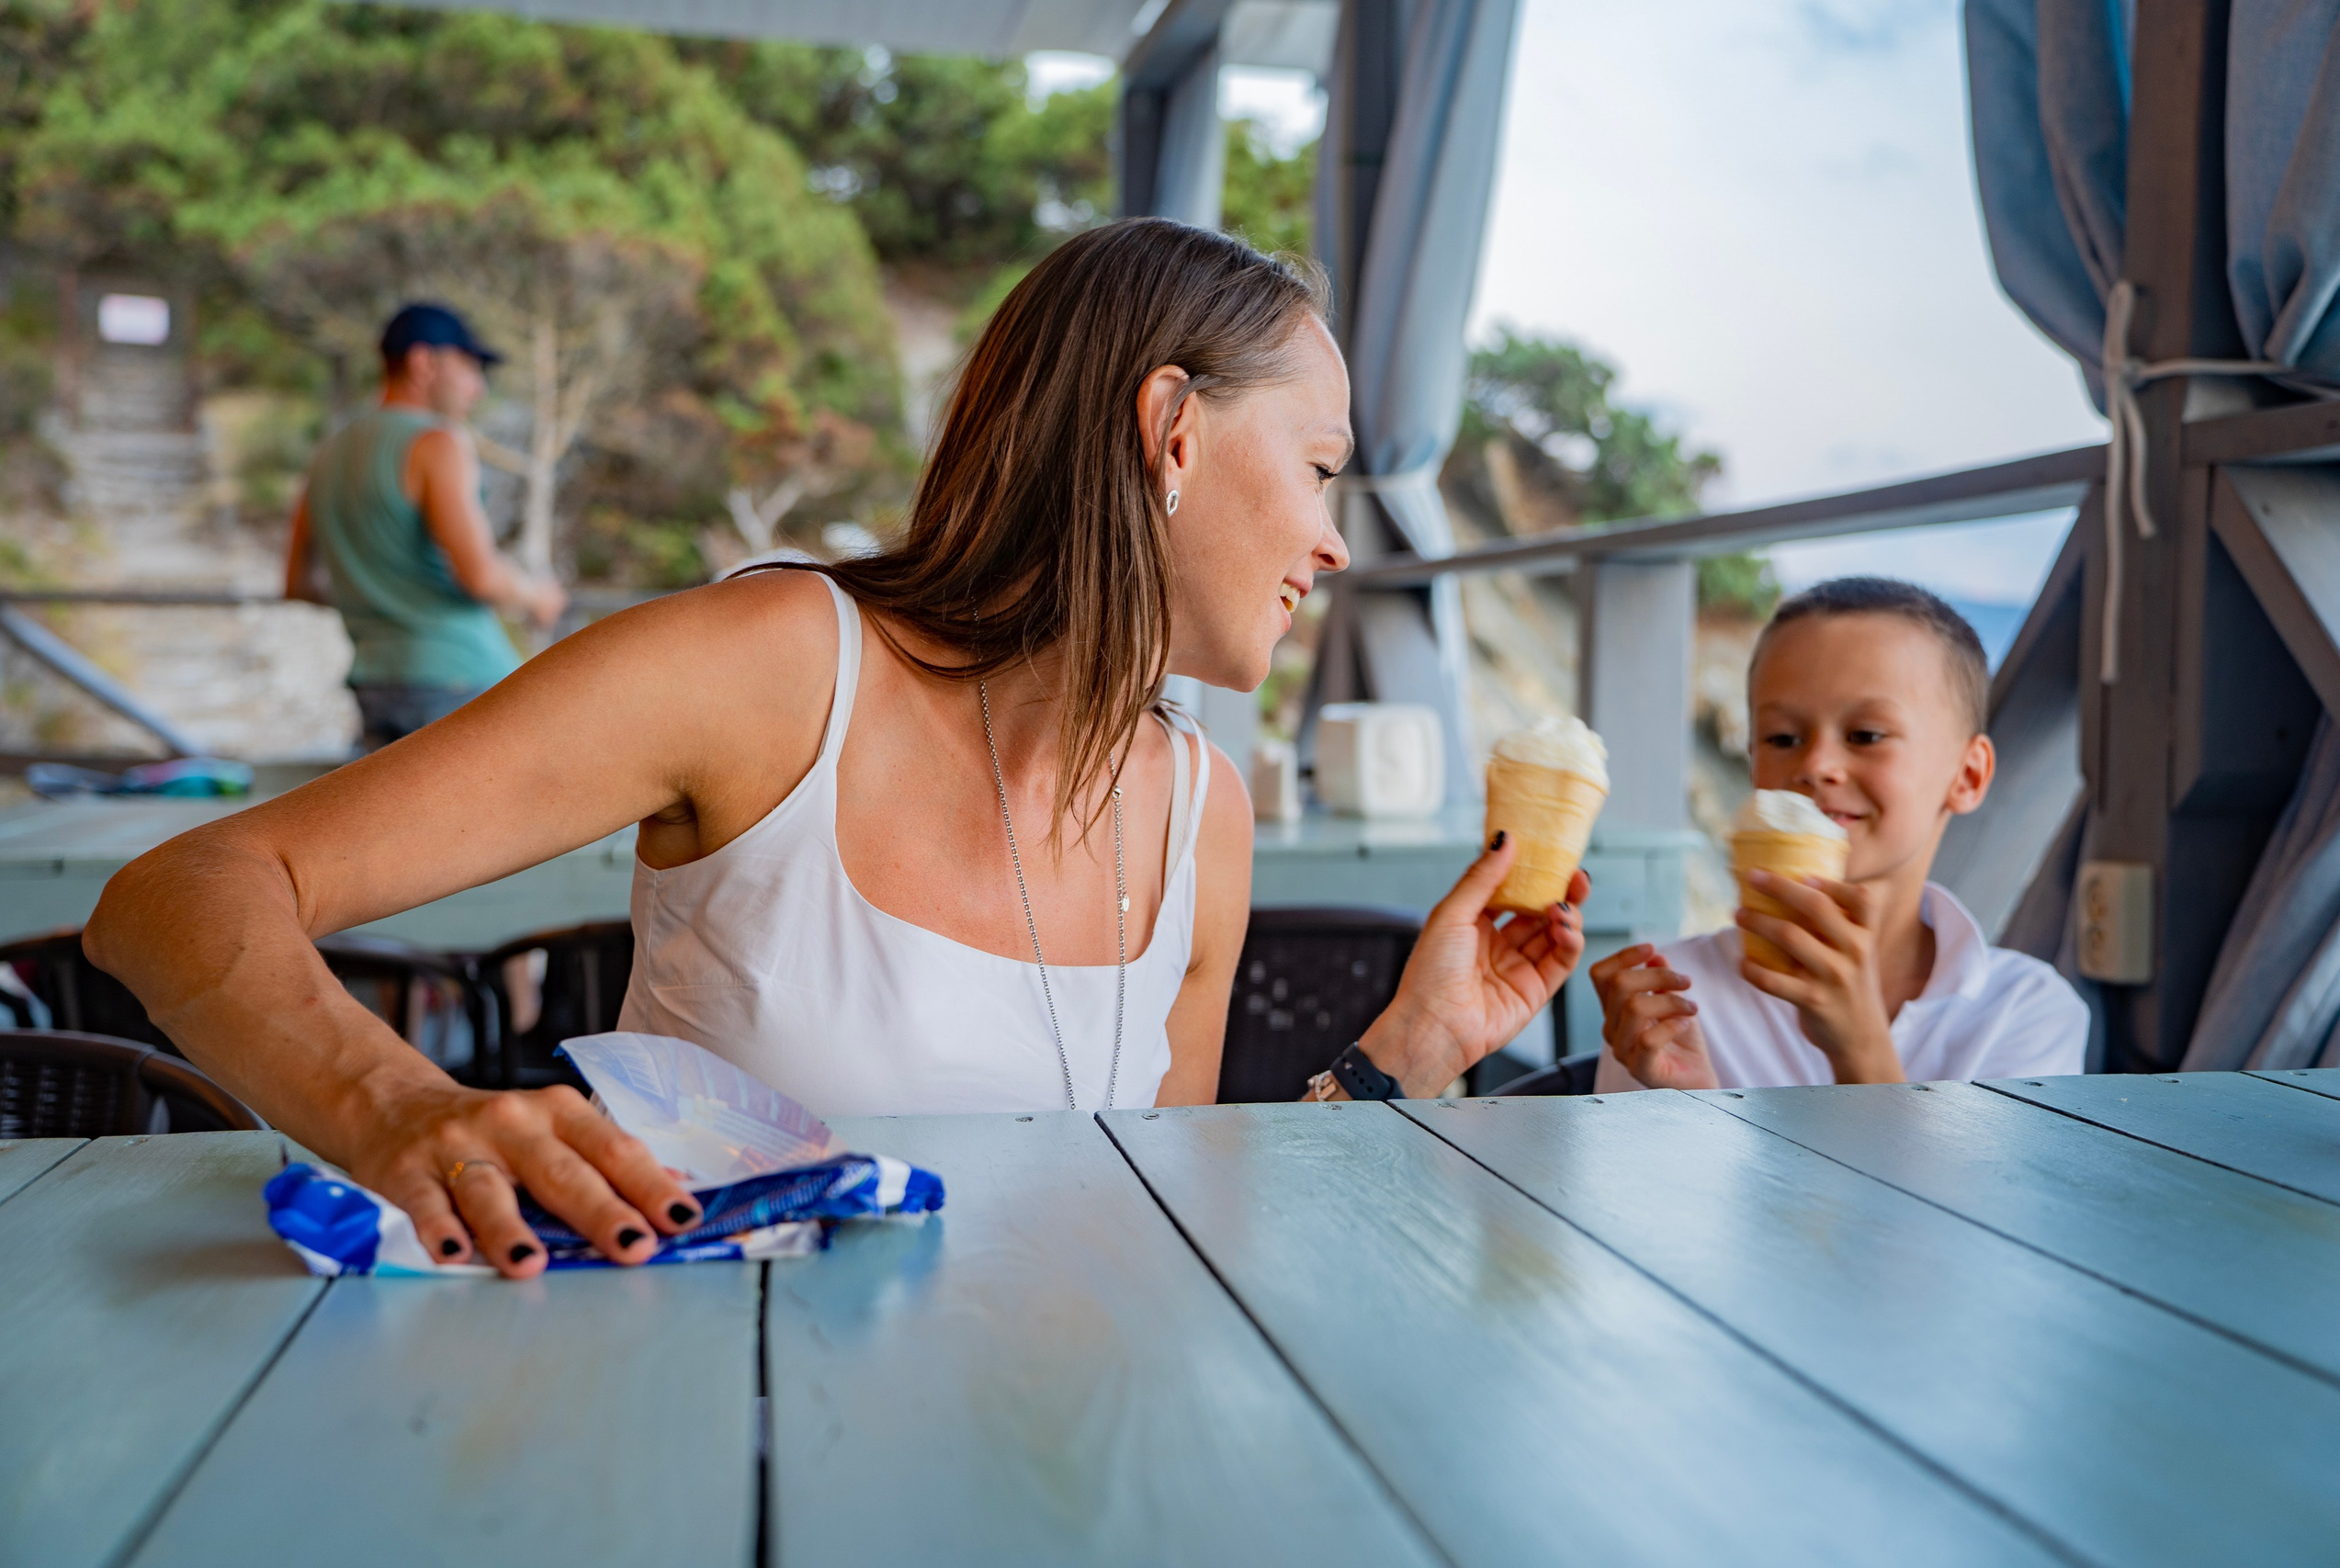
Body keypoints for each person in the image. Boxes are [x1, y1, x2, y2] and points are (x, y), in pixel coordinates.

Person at [88, 220, 1588, 1278]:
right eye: (1321, 466)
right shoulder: (774, 668)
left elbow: (1154, 1221)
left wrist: (1403, 1053)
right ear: (1173, 431)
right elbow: (182, 893)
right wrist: (403, 1108)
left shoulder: (1203, 806)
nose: (1334, 538)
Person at [1591, 577, 2088, 1091]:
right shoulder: (1669, 991)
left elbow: (1980, 1179)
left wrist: (1860, 1048)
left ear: (1968, 776)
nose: (1816, 765)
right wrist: (1690, 1103)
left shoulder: (2026, 1011)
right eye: (1783, 738)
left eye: (1866, 736)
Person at [285, 301, 566, 750]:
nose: (478, 388)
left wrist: (380, 595)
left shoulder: (329, 450)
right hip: (459, 678)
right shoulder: (437, 442)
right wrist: (538, 597)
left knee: (404, 822)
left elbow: (298, 583)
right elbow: (479, 575)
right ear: (423, 362)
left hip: (374, 682)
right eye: (469, 368)